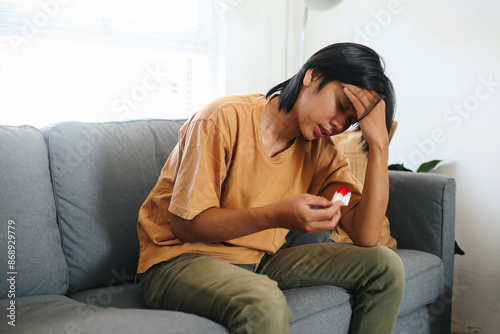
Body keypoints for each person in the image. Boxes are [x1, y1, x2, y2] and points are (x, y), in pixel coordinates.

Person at [136, 42, 405, 334]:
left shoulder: (323, 153)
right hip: (178, 260)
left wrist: (378, 145)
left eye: (351, 122)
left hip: (260, 260)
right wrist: (277, 215)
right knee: (265, 303)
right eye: (341, 105)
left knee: (385, 266)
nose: (339, 124)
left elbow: (366, 235)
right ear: (312, 76)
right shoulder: (222, 118)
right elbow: (186, 225)